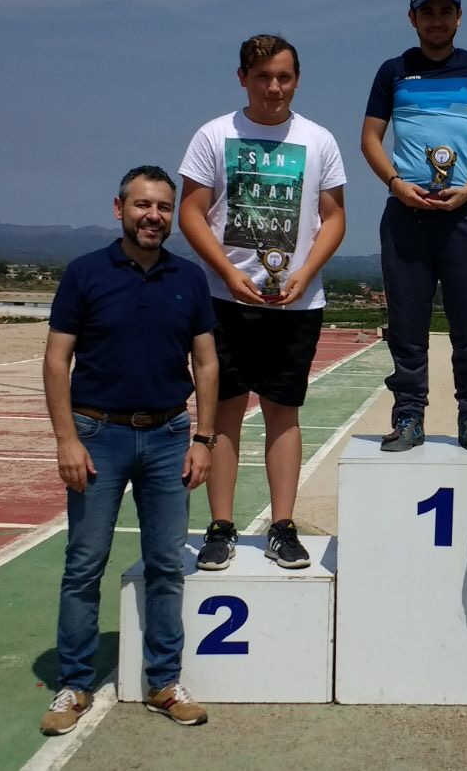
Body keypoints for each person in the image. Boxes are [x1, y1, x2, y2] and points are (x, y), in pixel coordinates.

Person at [40, 165, 220, 734]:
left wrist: (204, 438)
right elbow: (56, 360)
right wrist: (66, 438)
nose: (153, 216)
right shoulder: (85, 273)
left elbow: (206, 363)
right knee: (84, 564)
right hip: (98, 437)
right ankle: (74, 684)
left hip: (169, 437)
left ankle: (164, 681)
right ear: (119, 209)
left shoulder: (189, 279)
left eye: (164, 207)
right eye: (143, 205)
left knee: (167, 565)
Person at [178, 33, 347, 573]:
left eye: (284, 77)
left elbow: (334, 217)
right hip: (222, 299)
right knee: (223, 411)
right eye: (263, 77)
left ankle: (282, 527)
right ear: (242, 79)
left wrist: (306, 273)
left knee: (283, 412)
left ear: (297, 79)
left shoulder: (319, 139)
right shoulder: (214, 134)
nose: (274, 88)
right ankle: (221, 527)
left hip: (295, 303)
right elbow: (191, 212)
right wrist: (227, 273)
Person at [362, 0, 467, 453]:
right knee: (407, 324)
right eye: (426, 11)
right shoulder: (392, 71)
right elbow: (369, 139)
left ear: (459, 17)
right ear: (412, 19)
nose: (436, 20)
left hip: (464, 213)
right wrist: (396, 184)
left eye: (445, 11)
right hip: (405, 213)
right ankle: (409, 415)